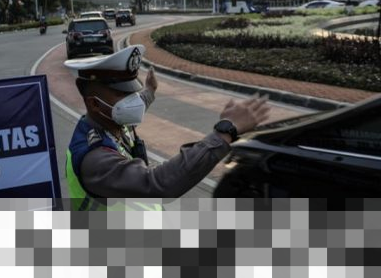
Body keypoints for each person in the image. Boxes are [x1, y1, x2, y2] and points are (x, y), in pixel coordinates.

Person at [64, 45, 271, 210]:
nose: (133, 101)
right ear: (94, 103)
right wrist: (224, 132)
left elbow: (138, 104)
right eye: (123, 95)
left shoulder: (112, 120)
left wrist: (150, 91)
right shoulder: (95, 159)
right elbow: (157, 183)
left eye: (133, 92)